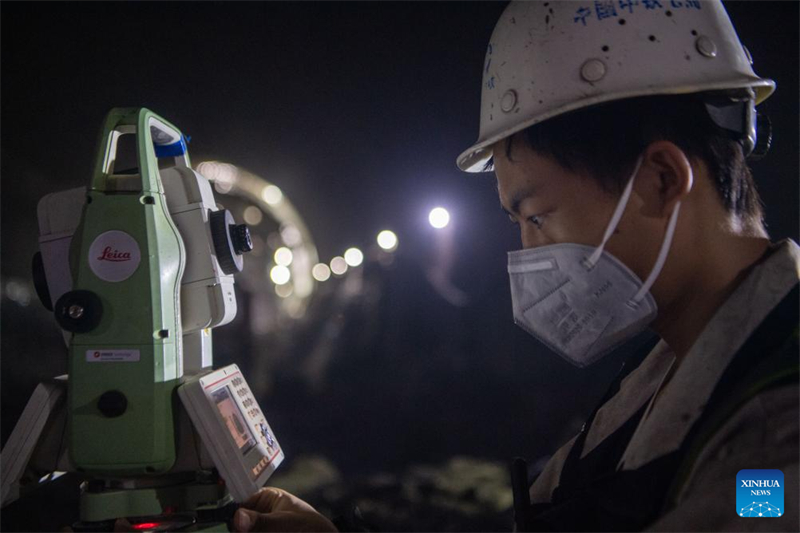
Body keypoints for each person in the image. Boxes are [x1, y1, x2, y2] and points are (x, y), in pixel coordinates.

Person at [232, 1, 799, 530]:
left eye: (537, 215)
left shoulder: (777, 437)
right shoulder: (666, 367)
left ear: (661, 180)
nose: (529, 253)